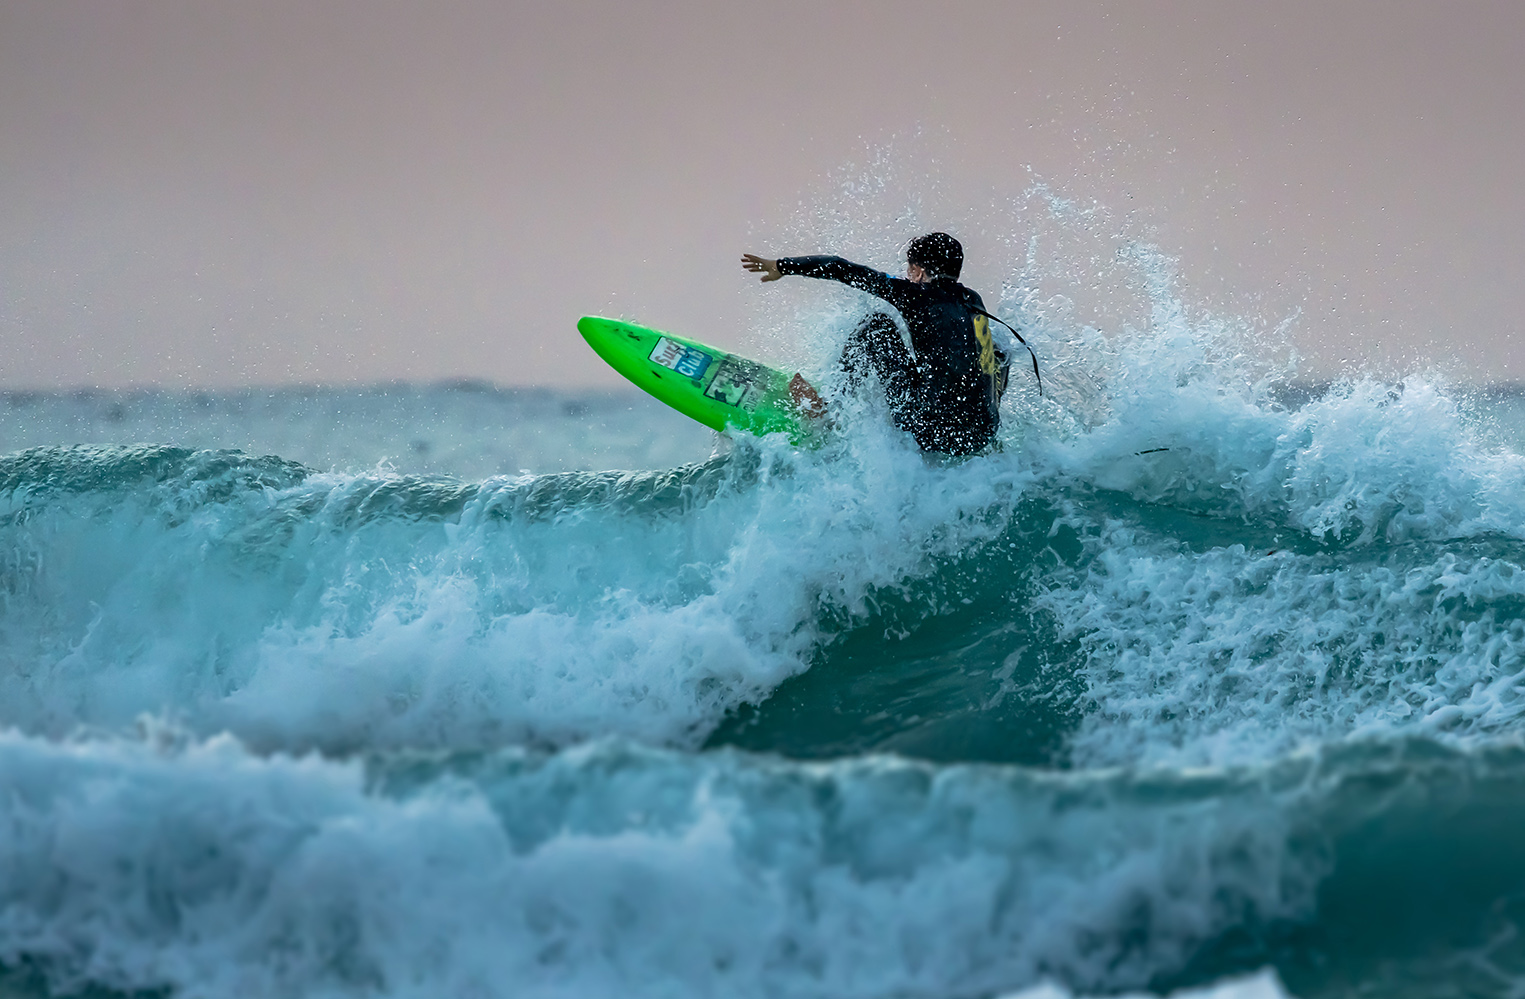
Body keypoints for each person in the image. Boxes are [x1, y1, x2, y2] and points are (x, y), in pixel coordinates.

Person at [742, 233, 1016, 455]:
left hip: (931, 433)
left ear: (919, 272)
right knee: (1000, 348)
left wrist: (782, 266)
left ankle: (827, 411)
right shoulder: (973, 301)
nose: (906, 275)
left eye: (909, 270)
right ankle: (986, 417)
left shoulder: (915, 294)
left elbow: (842, 268)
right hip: (980, 436)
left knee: (876, 327)